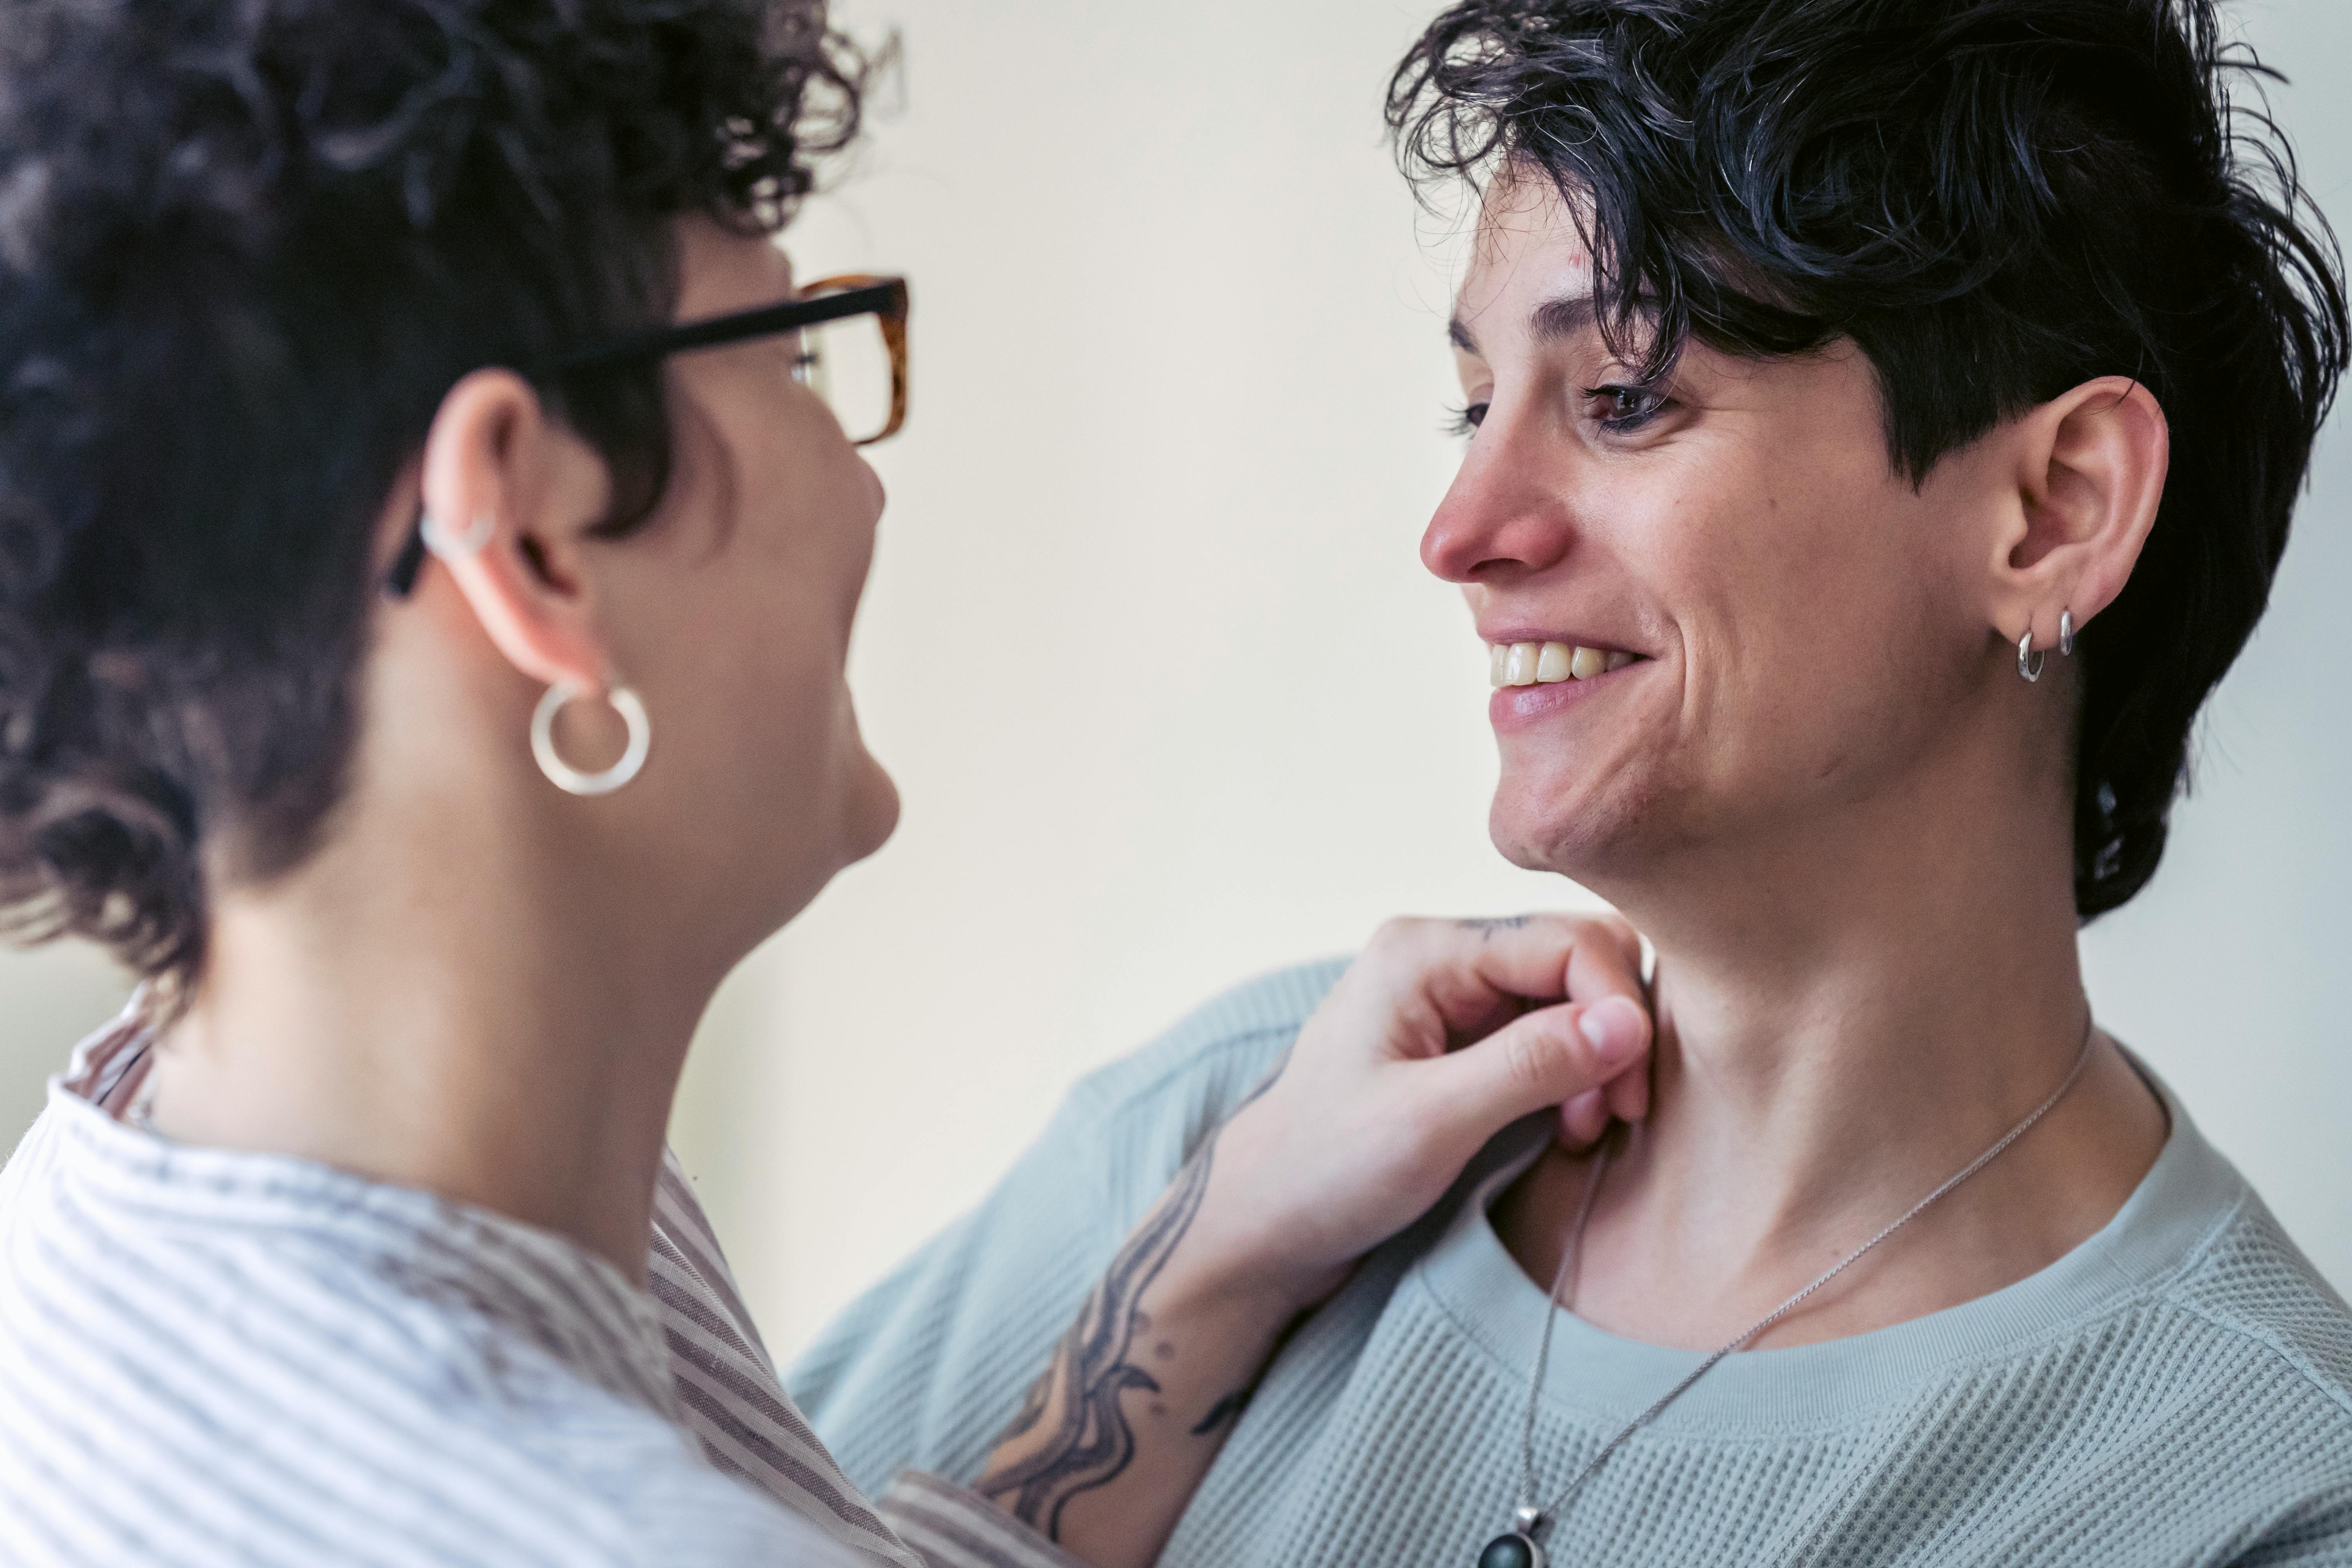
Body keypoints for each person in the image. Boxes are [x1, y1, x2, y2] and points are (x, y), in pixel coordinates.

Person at [0, 2, 1663, 1565]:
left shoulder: (159, 1188)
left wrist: (1218, 1255)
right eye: (794, 357)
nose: (860, 493)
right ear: (531, 539)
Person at [789, 2, 2352, 1565]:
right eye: (1475, 407)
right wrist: (1199, 1282)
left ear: (2050, 512)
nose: (1461, 533)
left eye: (1623, 397)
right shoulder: (1246, 1133)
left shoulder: (2259, 1497)